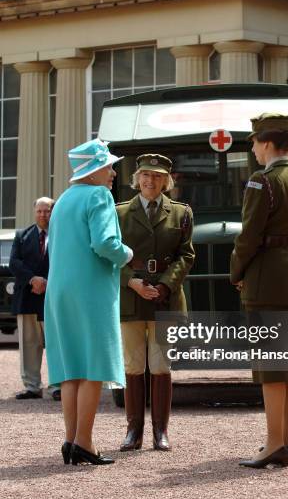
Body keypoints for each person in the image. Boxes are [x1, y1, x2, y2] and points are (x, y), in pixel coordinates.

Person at [230, 113, 288, 469]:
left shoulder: (261, 181)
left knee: (271, 365)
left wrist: (236, 270)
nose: (252, 148)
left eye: (253, 141)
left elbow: (249, 236)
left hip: (267, 275)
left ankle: (273, 443)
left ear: (266, 142)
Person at [45, 139, 133, 466]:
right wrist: (128, 254)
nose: (113, 172)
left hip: (60, 291)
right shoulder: (99, 195)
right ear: (94, 170)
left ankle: (71, 441)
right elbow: (105, 243)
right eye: (109, 166)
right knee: (94, 366)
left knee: (71, 369)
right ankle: (84, 442)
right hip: (90, 289)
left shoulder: (64, 199)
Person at [117, 154, 194, 452]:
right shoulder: (118, 213)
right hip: (131, 299)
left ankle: (160, 432)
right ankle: (133, 431)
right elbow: (109, 256)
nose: (151, 181)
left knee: (161, 365)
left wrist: (164, 284)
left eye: (158, 176)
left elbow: (186, 255)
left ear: (167, 180)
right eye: (146, 175)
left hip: (166, 299)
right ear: (137, 178)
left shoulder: (181, 212)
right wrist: (132, 282)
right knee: (134, 365)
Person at [10, 197, 61, 401]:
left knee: (56, 344)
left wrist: (48, 281)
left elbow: (65, 261)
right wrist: (33, 279)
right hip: (28, 298)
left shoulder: (61, 235)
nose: (43, 215)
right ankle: (32, 386)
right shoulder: (22, 235)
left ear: (53, 212)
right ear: (34, 212)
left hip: (53, 298)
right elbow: (14, 262)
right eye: (39, 211)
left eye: (47, 211)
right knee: (29, 344)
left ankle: (57, 385)